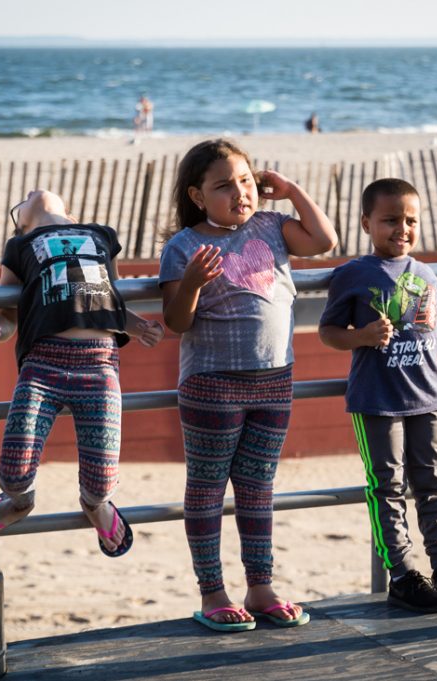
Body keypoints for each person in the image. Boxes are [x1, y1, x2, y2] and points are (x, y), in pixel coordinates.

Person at [159, 139, 338, 632]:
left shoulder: (271, 227)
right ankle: (212, 590)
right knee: (208, 488)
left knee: (258, 488)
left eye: (244, 181)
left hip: (275, 379)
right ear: (197, 196)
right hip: (212, 384)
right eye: (223, 186)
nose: (239, 192)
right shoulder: (184, 247)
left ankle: (260, 586)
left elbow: (324, 241)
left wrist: (292, 191)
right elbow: (176, 322)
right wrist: (192, 282)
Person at [319, 178, 437, 613]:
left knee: (435, 483)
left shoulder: (427, 276)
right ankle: (401, 574)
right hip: (377, 401)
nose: (402, 228)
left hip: (430, 399)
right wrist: (361, 336)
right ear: (366, 223)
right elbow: (328, 332)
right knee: (388, 485)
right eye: (390, 219)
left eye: (411, 220)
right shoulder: (353, 275)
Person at [0, 190, 165, 558]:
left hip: (99, 365)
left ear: (72, 213)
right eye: (26, 198)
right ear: (22, 224)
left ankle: (96, 505)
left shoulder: (99, 235)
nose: (34, 193)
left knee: (101, 480)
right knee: (14, 470)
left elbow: (108, 296)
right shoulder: (19, 247)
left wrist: (138, 327)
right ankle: (18, 501)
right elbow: (7, 313)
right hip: (42, 366)